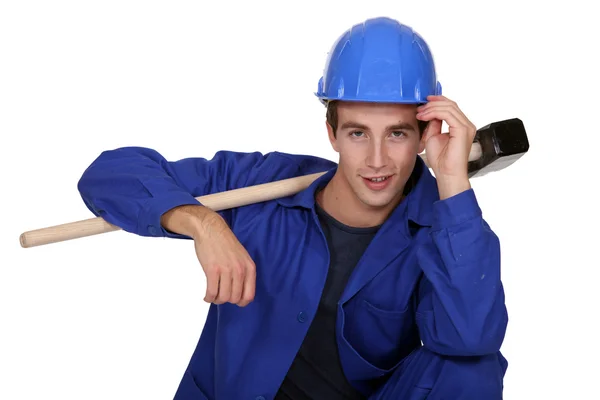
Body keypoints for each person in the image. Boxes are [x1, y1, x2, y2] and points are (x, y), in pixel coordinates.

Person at [77, 16, 509, 400]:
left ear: (422, 136)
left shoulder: (442, 226)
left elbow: (471, 340)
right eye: (358, 134)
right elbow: (112, 172)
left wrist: (452, 182)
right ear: (331, 133)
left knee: (472, 366)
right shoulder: (262, 186)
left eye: (396, 134)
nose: (378, 160)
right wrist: (202, 224)